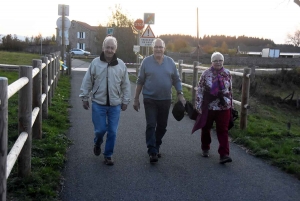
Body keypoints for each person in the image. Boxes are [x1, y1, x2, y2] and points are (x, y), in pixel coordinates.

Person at [79, 36, 131, 166]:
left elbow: (126, 84)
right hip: (98, 103)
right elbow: (87, 81)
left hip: (115, 105)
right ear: (103, 48)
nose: (109, 50)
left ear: (115, 49)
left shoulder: (121, 65)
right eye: (107, 47)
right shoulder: (95, 63)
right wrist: (84, 97)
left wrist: (126, 101)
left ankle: (108, 155)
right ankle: (97, 142)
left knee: (112, 131)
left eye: (112, 47)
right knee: (100, 130)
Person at [133, 38, 186, 163]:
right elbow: (140, 81)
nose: (158, 49)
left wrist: (180, 94)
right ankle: (152, 150)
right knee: (151, 124)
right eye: (156, 47)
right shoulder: (146, 62)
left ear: (164, 49)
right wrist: (136, 99)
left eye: (160, 47)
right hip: (149, 99)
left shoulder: (170, 62)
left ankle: (156, 146)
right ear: (152, 49)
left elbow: (176, 80)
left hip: (165, 99)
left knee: (162, 126)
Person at [192, 52, 233, 164]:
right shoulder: (206, 74)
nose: (218, 62)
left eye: (220, 60)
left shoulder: (227, 73)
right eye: (215, 60)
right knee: (206, 128)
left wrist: (231, 106)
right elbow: (200, 90)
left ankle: (224, 154)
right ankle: (205, 147)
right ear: (211, 62)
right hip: (209, 106)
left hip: (223, 106)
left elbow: (230, 91)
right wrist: (199, 105)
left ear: (223, 61)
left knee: (223, 130)